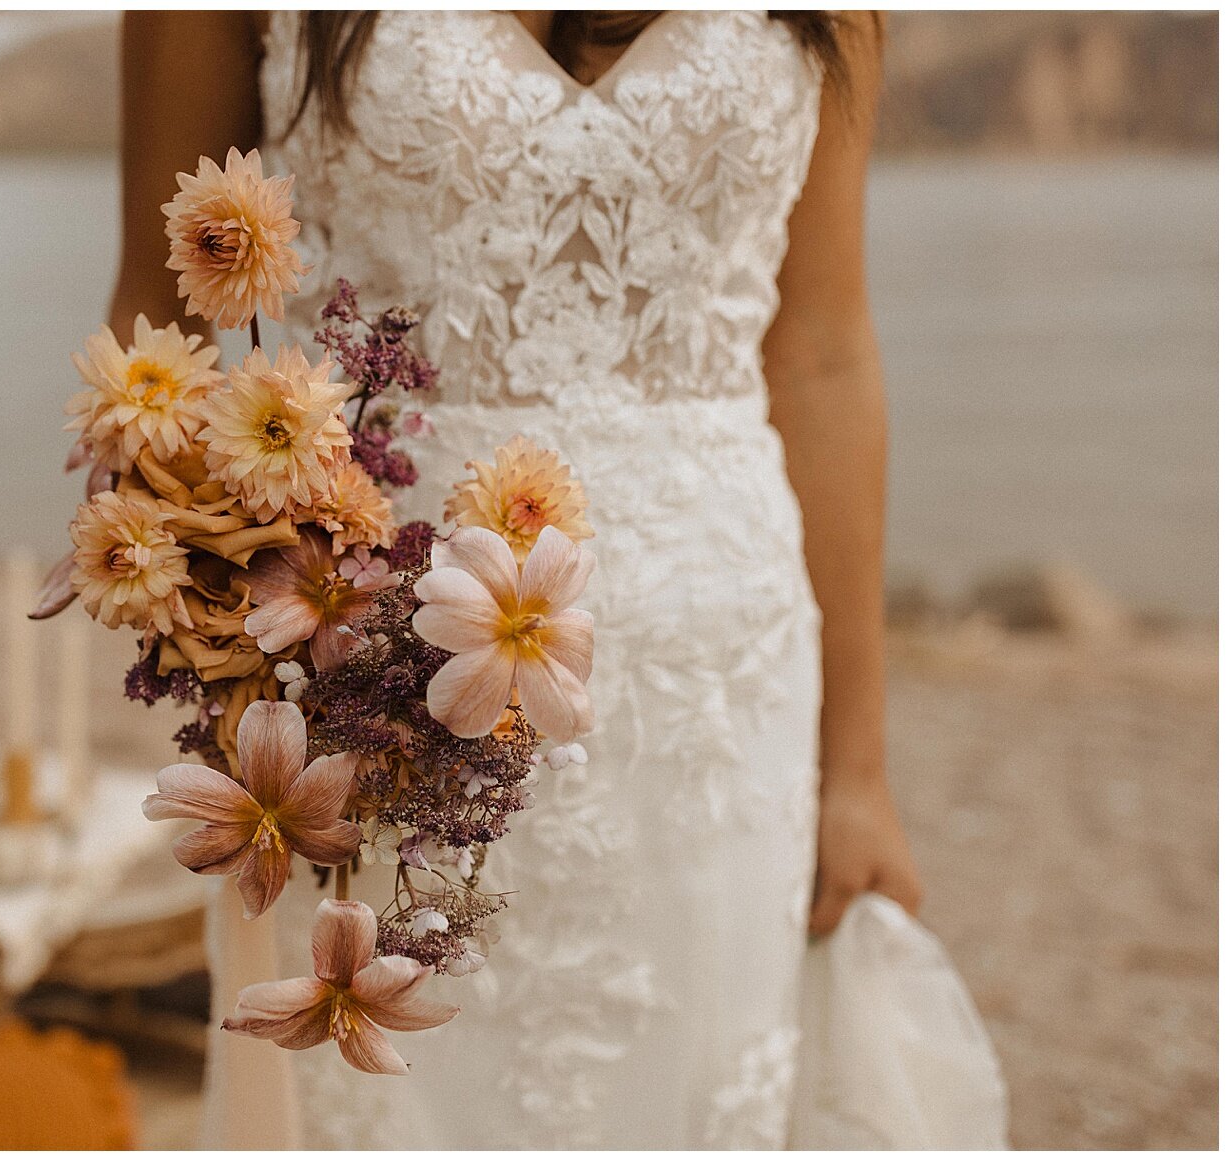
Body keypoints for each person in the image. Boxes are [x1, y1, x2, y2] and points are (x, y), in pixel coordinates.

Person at [111, 10, 929, 1148]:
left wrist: (858, 770)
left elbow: (825, 353)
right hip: (371, 675)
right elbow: (160, 325)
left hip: (714, 701)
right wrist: (217, 657)